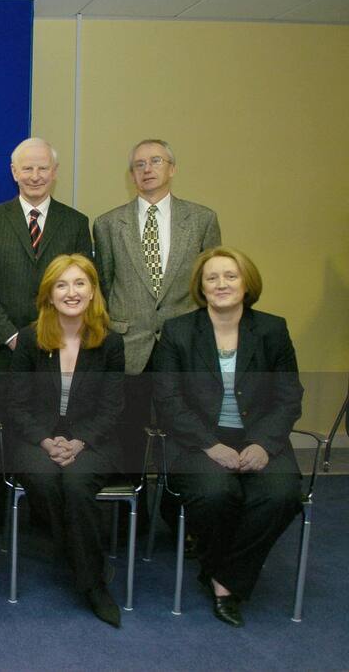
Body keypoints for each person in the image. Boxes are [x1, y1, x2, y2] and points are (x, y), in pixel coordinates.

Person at [153, 247, 302, 628]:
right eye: (212, 278)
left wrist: (263, 444)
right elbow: (167, 399)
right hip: (198, 441)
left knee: (281, 495)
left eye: (230, 276)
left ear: (246, 282)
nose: (222, 284)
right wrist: (210, 444)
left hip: (260, 438)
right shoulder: (178, 332)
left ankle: (223, 576)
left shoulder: (272, 329)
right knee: (217, 494)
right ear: (200, 288)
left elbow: (288, 396)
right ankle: (227, 582)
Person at [0, 137, 92, 532]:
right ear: (14, 173)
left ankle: (44, 522)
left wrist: (50, 337)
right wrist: (13, 337)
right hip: (5, 352)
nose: (35, 176)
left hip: (59, 351)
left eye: (43, 168)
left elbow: (83, 286)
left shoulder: (75, 223)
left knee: (48, 434)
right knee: (1, 435)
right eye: (27, 168)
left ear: (55, 172)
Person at [5, 254, 126, 627]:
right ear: (49, 294)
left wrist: (80, 442)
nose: (70, 292)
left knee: (75, 481)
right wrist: (45, 440)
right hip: (36, 437)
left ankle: (89, 583)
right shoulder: (29, 338)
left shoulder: (111, 342)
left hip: (93, 439)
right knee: (42, 477)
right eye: (61, 285)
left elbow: (113, 405)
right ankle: (89, 568)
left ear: (92, 292)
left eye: (79, 284)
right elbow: (16, 401)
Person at [93, 139, 220, 473]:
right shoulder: (108, 225)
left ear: (172, 168)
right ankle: (132, 516)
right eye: (139, 164)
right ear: (131, 175)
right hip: (129, 344)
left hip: (184, 344)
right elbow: (104, 285)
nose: (147, 169)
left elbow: (213, 286)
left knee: (184, 434)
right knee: (127, 435)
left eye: (156, 161)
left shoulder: (202, 220)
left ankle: (175, 512)